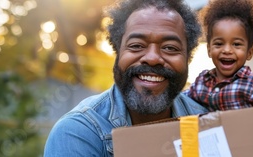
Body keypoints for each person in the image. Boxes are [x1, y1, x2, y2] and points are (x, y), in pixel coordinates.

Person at [43, 0, 206, 156]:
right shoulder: (78, 133)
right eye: (136, 45)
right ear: (118, 52)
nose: (152, 58)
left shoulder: (206, 121)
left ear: (188, 58)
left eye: (170, 48)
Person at [183, 0, 253, 111]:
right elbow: (180, 102)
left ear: (249, 53)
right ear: (209, 50)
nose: (227, 50)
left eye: (236, 44)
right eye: (219, 44)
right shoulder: (201, 83)